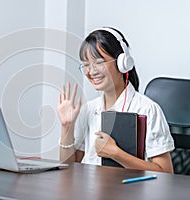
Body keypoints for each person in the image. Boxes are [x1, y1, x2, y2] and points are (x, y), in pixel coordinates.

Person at [57, 27, 174, 173]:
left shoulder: (147, 109)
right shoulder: (88, 110)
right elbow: (68, 169)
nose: (91, 71)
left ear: (122, 63)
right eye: (86, 65)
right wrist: (67, 127)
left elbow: (166, 173)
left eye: (99, 62)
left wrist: (116, 153)